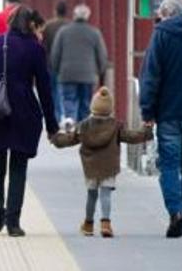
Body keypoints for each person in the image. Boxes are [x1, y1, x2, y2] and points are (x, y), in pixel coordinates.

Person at [0, 6, 59, 237]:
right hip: (24, 113)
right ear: (31, 24)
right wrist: (52, 126)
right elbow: (44, 89)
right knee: (18, 168)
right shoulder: (35, 48)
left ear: (10, 21)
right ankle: (13, 222)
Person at [139, 0, 182, 238]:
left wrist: (147, 111)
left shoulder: (162, 34)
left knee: (168, 165)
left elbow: (151, 75)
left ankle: (176, 213)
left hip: (169, 114)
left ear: (167, 14)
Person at [51, 87, 153, 238]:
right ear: (109, 109)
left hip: (91, 168)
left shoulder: (83, 126)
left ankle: (88, 224)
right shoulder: (116, 126)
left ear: (93, 107)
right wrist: (146, 132)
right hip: (109, 167)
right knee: (106, 195)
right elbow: (132, 137)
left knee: (91, 195)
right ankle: (106, 224)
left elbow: (69, 139)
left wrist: (55, 138)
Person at [50, 4, 108, 125]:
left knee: (68, 99)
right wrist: (100, 71)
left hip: (67, 73)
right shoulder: (94, 33)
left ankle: (70, 118)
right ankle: (83, 124)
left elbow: (55, 53)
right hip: (88, 75)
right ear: (88, 16)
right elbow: (102, 55)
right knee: (85, 101)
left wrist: (56, 69)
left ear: (74, 15)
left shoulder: (63, 31)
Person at [43, 1, 70, 124]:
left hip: (51, 64)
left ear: (55, 11)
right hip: (68, 64)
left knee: (53, 91)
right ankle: (68, 116)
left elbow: (44, 46)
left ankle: (57, 117)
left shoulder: (48, 26)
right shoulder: (70, 26)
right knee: (66, 91)